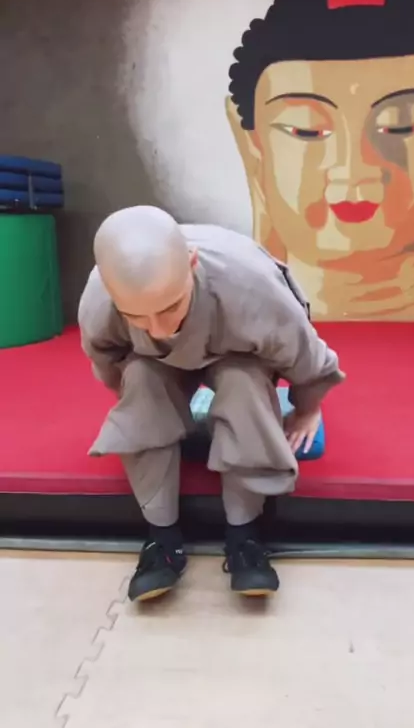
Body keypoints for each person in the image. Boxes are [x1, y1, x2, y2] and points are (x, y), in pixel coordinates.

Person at [78, 206, 344, 600]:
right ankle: (161, 541)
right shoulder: (101, 298)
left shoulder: (254, 288)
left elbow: (308, 360)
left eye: (169, 307)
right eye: (137, 315)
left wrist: (306, 408)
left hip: (240, 350)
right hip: (155, 361)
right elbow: (110, 364)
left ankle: (245, 537)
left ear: (192, 263)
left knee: (242, 385)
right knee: (142, 381)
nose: (159, 328)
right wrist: (143, 406)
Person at [227, 0, 414, 321]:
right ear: (254, 149)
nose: (353, 171)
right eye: (306, 130)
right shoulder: (223, 335)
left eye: (402, 126)